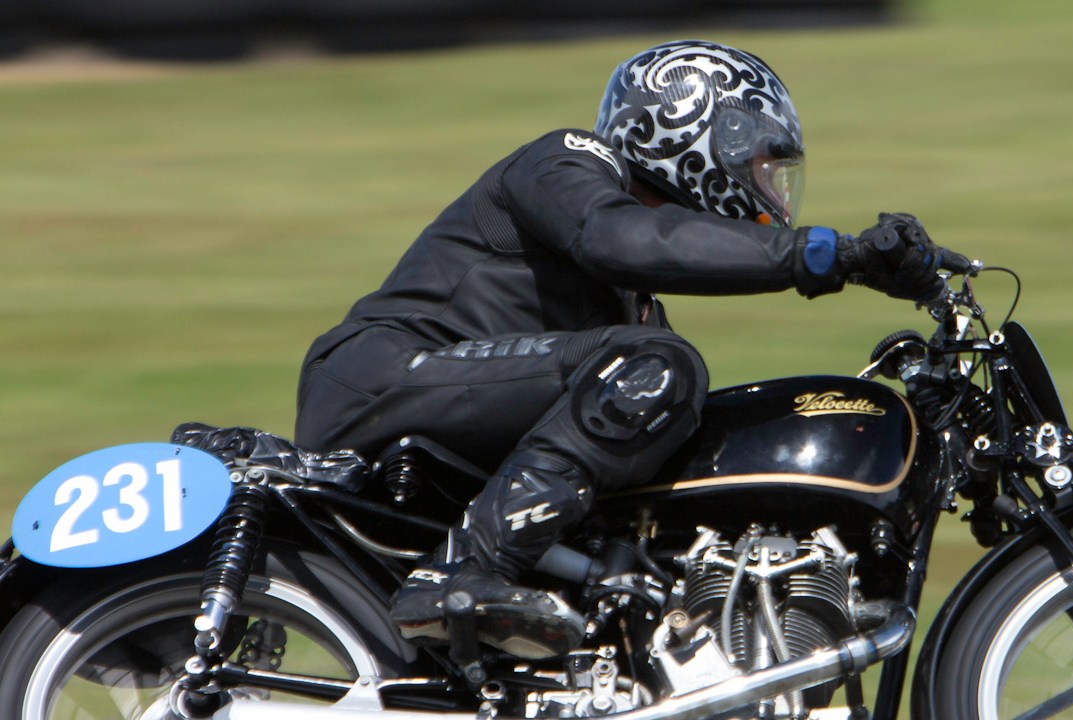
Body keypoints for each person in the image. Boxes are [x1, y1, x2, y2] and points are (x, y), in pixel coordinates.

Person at [294, 39, 966, 659]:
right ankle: (464, 570)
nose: (771, 195)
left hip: (459, 418)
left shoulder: (636, 316)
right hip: (379, 379)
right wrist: (831, 254)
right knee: (659, 367)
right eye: (762, 167)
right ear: (697, 137)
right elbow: (623, 239)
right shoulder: (565, 162)